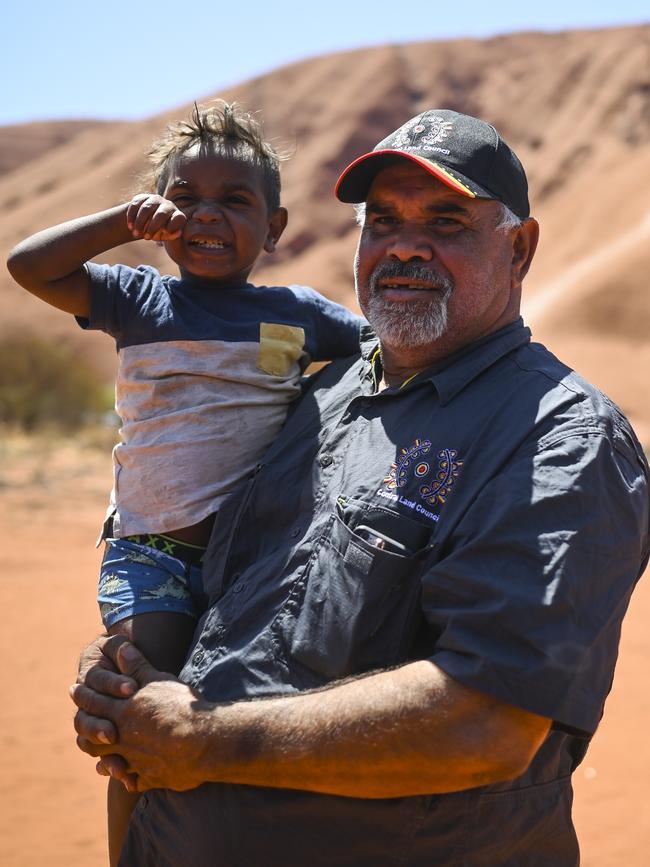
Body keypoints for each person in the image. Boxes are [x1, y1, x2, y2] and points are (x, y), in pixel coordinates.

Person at [70, 109, 649, 867]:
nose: (406, 243)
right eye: (383, 220)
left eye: (446, 220)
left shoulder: (559, 438)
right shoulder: (322, 391)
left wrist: (200, 739)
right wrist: (121, 667)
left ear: (520, 247)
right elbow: (216, 583)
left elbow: (485, 721)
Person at [6, 101, 361, 864]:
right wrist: (121, 221)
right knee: (140, 708)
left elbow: (379, 353)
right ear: (161, 211)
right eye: (184, 197)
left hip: (258, 564)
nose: (206, 214)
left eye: (235, 200)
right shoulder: (138, 299)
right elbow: (28, 266)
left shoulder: (297, 314)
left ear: (276, 226)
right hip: (152, 554)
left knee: (242, 718)